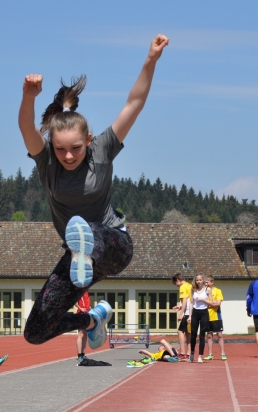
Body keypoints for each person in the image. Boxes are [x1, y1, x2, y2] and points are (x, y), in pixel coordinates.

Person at [18, 34, 170, 353]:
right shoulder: (46, 161)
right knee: (35, 330)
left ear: (88, 140)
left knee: (87, 230)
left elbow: (134, 104)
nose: (68, 156)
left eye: (76, 148)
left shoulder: (102, 149)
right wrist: (28, 97)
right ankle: (92, 320)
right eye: (60, 149)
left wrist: (150, 60)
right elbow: (27, 129)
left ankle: (85, 242)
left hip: (114, 245)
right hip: (78, 260)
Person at [188, 273, 211, 363]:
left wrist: (203, 300)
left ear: (203, 280)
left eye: (200, 280)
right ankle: (192, 352)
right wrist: (190, 316)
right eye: (197, 280)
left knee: (202, 335)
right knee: (193, 335)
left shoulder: (207, 289)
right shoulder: (193, 289)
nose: (198, 282)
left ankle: (200, 356)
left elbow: (211, 302)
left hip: (204, 312)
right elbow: (191, 303)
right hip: (195, 312)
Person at [204, 275, 227, 361]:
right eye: (205, 282)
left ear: (212, 282)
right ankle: (210, 354)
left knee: (219, 335)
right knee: (209, 335)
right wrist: (211, 303)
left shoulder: (218, 291)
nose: (206, 284)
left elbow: (217, 303)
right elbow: (202, 304)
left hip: (216, 316)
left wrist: (209, 303)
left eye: (207, 282)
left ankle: (223, 353)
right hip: (206, 316)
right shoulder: (203, 292)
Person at [171, 273, 191, 359]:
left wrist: (180, 314)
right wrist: (180, 307)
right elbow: (189, 301)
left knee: (180, 331)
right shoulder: (189, 285)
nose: (176, 285)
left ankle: (183, 353)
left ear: (178, 280)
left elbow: (185, 301)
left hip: (187, 313)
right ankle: (189, 353)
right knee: (188, 333)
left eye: (175, 283)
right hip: (192, 311)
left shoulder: (183, 287)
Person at [74, 292, 91, 363]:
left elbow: (87, 303)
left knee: (85, 334)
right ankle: (79, 355)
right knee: (80, 334)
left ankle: (83, 354)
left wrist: (89, 308)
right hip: (80, 314)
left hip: (87, 314)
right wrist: (80, 308)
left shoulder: (86, 292)